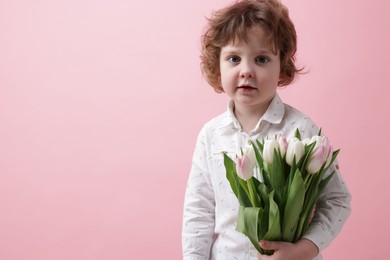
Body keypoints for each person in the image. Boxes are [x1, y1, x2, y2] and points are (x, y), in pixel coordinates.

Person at [182, 0, 351, 259]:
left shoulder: (301, 131)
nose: (247, 71)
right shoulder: (211, 135)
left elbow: (337, 200)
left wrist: (303, 250)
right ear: (217, 64)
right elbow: (198, 212)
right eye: (234, 58)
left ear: (281, 65)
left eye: (261, 59)